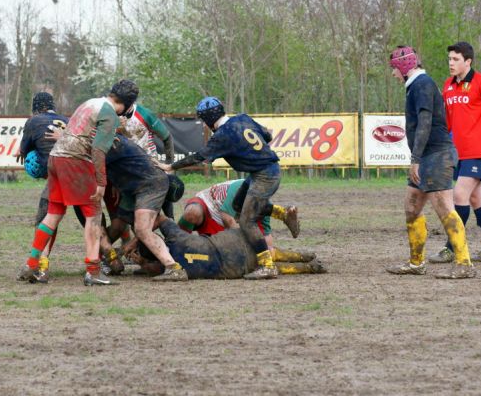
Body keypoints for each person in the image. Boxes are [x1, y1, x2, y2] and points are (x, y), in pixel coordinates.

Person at [158, 97, 299, 280]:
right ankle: (283, 213)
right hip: (261, 172)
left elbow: (199, 157)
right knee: (239, 206)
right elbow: (267, 135)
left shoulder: (222, 135)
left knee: (247, 221)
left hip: (264, 175)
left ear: (208, 120)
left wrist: (170, 167)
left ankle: (267, 266)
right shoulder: (242, 118)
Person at [17, 80, 139, 286]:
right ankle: (93, 271)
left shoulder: (90, 103)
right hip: (75, 161)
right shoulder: (109, 114)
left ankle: (32, 265)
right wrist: (101, 182)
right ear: (127, 105)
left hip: (55, 159)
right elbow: (98, 151)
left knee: (53, 213)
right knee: (93, 216)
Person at [385, 45, 475, 279]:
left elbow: (425, 121)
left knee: (444, 207)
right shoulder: (414, 86)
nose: (393, 74)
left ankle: (464, 263)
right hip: (427, 156)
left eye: (394, 69)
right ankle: (416, 263)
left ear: (404, 66)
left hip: (436, 155)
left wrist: (415, 159)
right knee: (412, 207)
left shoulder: (422, 85)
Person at [429, 42, 481, 264]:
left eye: (455, 59)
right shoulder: (448, 85)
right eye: (449, 59)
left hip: (479, 151)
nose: (451, 63)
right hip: (458, 153)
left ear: (468, 61)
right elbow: (450, 121)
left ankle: (452, 247)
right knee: (476, 198)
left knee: (459, 196)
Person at [100, 134, 188, 281]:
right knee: (119, 224)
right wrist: (116, 183)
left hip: (142, 187)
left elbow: (162, 221)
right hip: (132, 188)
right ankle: (106, 257)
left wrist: (132, 243)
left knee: (141, 230)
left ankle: (173, 268)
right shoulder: (160, 179)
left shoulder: (160, 190)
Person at [127, 216, 326, 280]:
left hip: (230, 268)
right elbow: (161, 218)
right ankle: (303, 256)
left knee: (261, 265)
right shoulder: (176, 238)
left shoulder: (170, 268)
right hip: (228, 243)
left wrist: (143, 261)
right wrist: (139, 236)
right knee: (268, 254)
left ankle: (309, 268)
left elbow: (151, 270)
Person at [179, 178, 313, 265]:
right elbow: (228, 220)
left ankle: (303, 259)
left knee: (264, 251)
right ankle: (177, 243)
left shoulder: (263, 205)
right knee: (192, 213)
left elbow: (266, 239)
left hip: (229, 222)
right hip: (208, 206)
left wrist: (267, 253)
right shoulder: (239, 190)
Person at [16, 92, 68, 279]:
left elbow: (23, 150)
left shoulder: (33, 121)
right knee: (90, 220)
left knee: (45, 219)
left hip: (58, 177)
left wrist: (23, 153)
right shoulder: (66, 120)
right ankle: (107, 258)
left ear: (36, 108)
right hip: (80, 176)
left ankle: (39, 265)